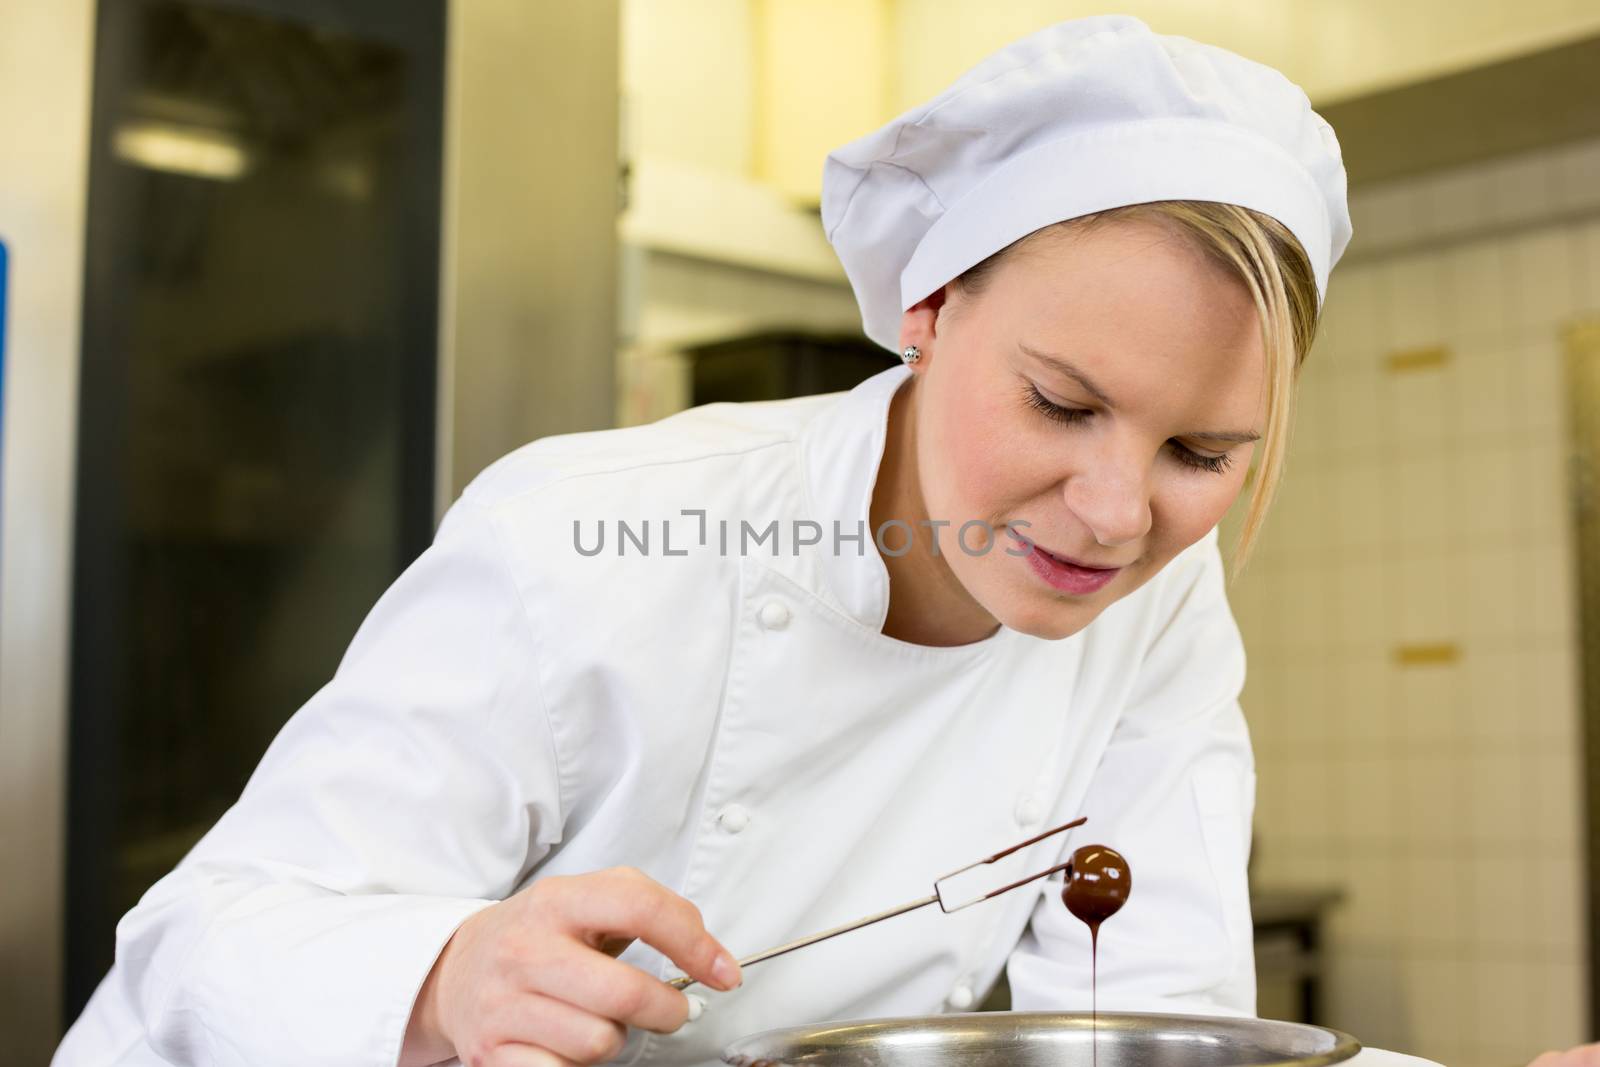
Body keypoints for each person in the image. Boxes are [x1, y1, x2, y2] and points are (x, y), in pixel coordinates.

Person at [55, 14, 1377, 1067]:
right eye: (1062, 402)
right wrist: (445, 981)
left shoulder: (1160, 595)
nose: (1114, 513)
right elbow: (196, 947)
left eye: (1203, 455)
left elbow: (1145, 1024)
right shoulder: (589, 536)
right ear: (928, 309)